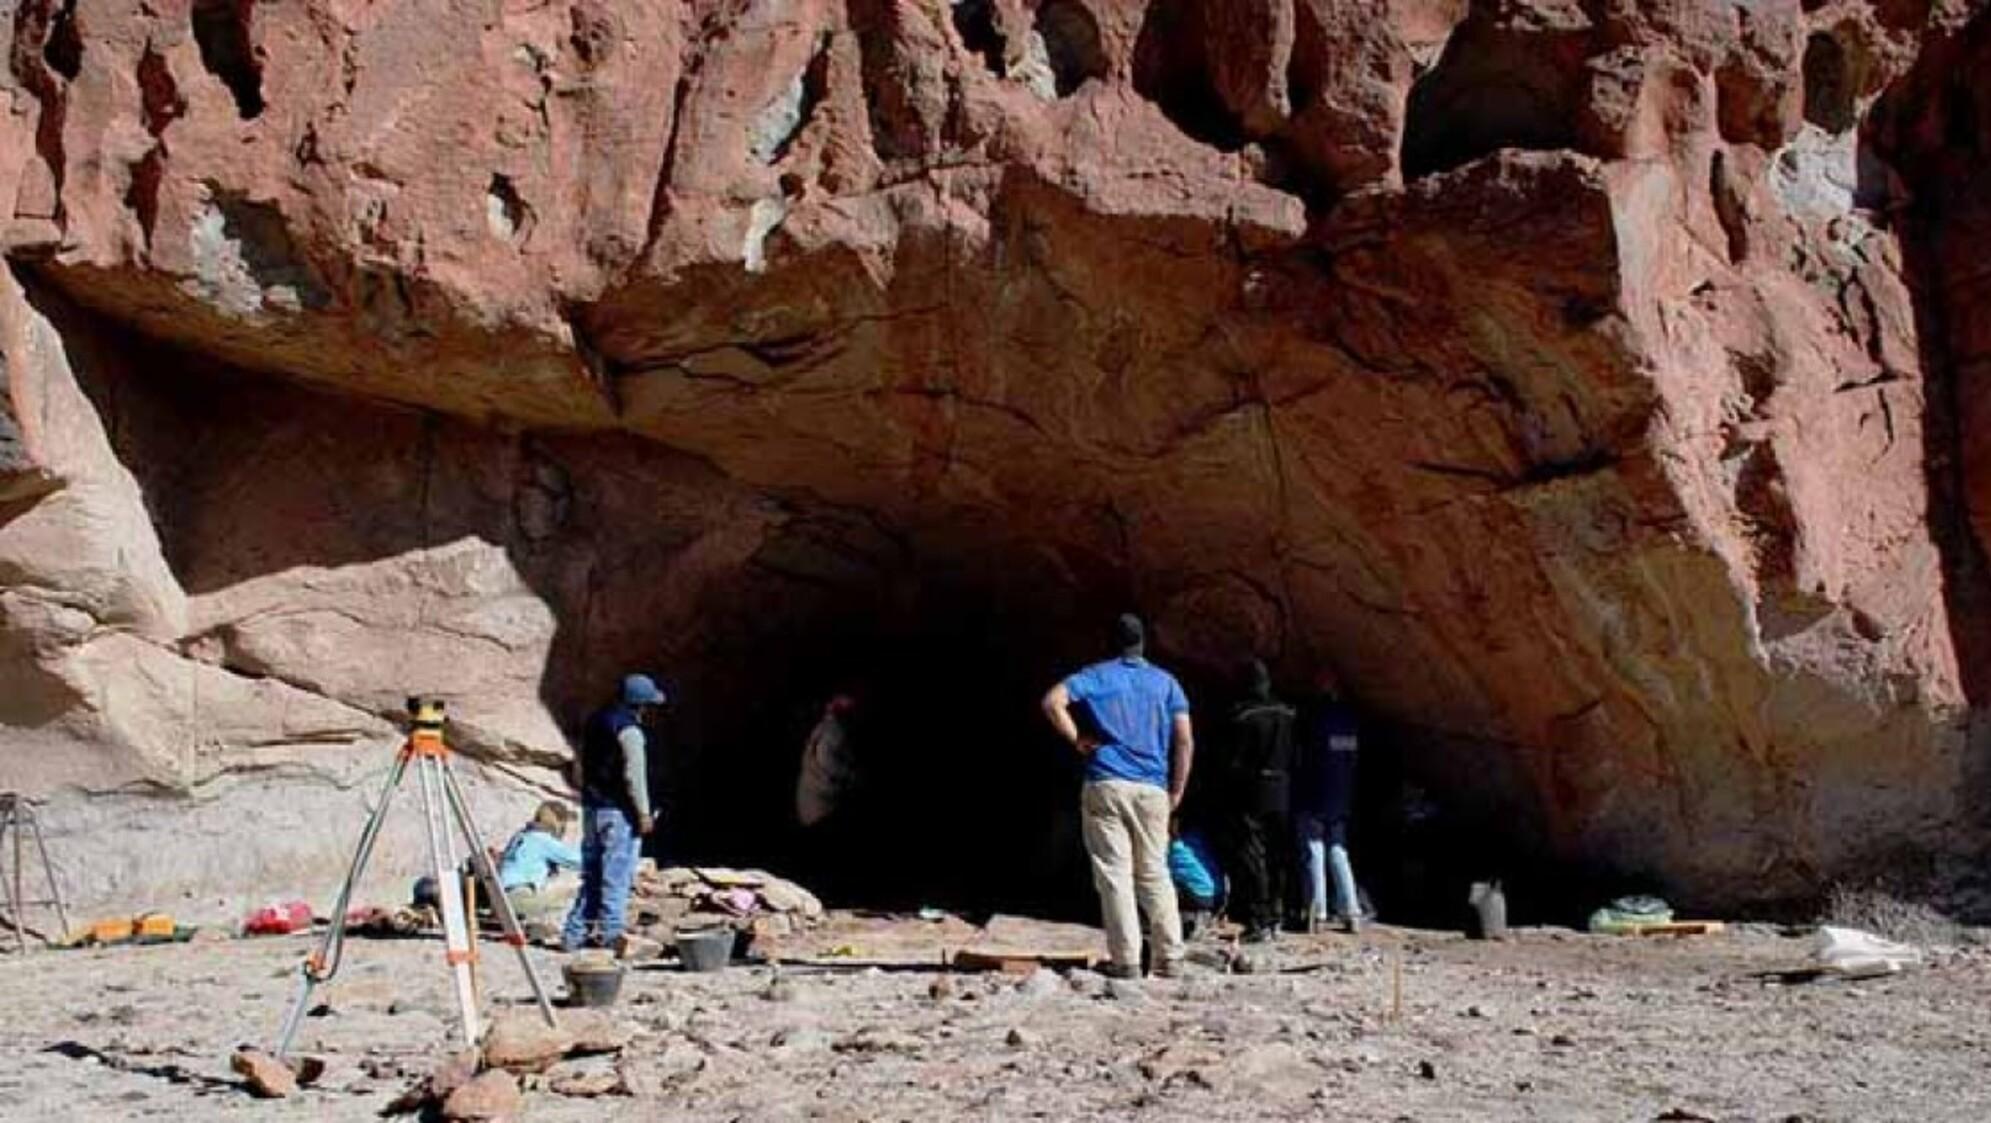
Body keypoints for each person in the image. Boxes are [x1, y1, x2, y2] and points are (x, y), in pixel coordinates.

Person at [1041, 613, 1192, 979]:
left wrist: (1077, 739)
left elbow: (1052, 701)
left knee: (1115, 873)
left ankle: (1126, 960)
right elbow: (1185, 739)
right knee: (1154, 871)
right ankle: (1170, 955)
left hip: (1106, 780)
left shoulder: (1096, 676)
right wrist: (1176, 790)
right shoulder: (1166, 683)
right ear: (1144, 643)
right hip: (1153, 786)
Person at [562, 673, 665, 952]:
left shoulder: (597, 721)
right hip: (619, 812)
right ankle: (611, 935)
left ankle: (574, 933)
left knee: (593, 874)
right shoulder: (629, 731)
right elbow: (634, 775)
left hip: (592, 809)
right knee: (616, 875)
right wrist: (643, 812)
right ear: (640, 705)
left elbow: (581, 766)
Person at [1223, 658, 1296, 943]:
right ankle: (1279, 914)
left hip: (1253, 790)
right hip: (1283, 787)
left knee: (1254, 855)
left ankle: (1259, 917)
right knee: (1280, 854)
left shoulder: (1244, 716)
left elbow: (1235, 761)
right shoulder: (1288, 713)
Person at [1295, 673, 1364, 933]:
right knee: (1338, 852)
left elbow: (1307, 758)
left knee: (1314, 852)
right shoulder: (1350, 721)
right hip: (1341, 796)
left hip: (1314, 795)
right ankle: (1352, 912)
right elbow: (1348, 760)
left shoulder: (1315, 719)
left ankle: (1318, 913)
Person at [497, 800, 581, 929]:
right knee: (575, 890)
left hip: (500, 898)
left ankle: (539, 927)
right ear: (557, 822)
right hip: (517, 900)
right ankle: (566, 932)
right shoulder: (542, 839)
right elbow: (578, 861)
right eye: (564, 822)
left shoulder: (521, 835)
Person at [795, 694, 858, 829]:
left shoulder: (825, 731)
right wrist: (853, 777)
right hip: (820, 810)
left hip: (812, 808)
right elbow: (831, 766)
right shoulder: (832, 737)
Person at [1168, 819, 1224, 940]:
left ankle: (1181, 921)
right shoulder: (1197, 840)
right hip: (1217, 894)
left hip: (1197, 896)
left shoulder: (1171, 849)